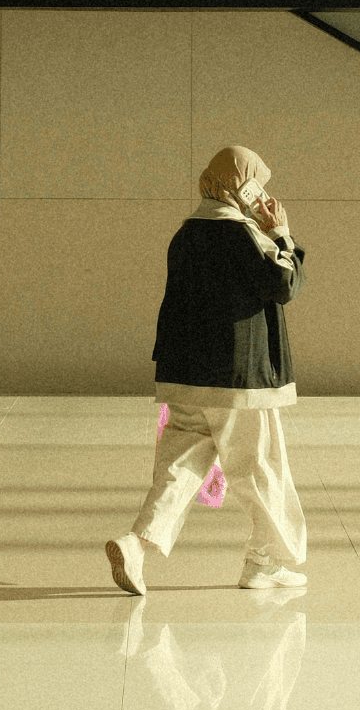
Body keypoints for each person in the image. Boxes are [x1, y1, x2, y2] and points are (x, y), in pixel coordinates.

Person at [107, 146, 308, 595]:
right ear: (242, 186)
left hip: (183, 372)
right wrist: (283, 235)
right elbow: (283, 283)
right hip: (236, 378)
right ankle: (265, 561)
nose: (265, 194)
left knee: (180, 466)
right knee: (260, 467)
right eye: (258, 184)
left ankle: (136, 545)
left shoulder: (185, 234)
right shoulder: (243, 234)